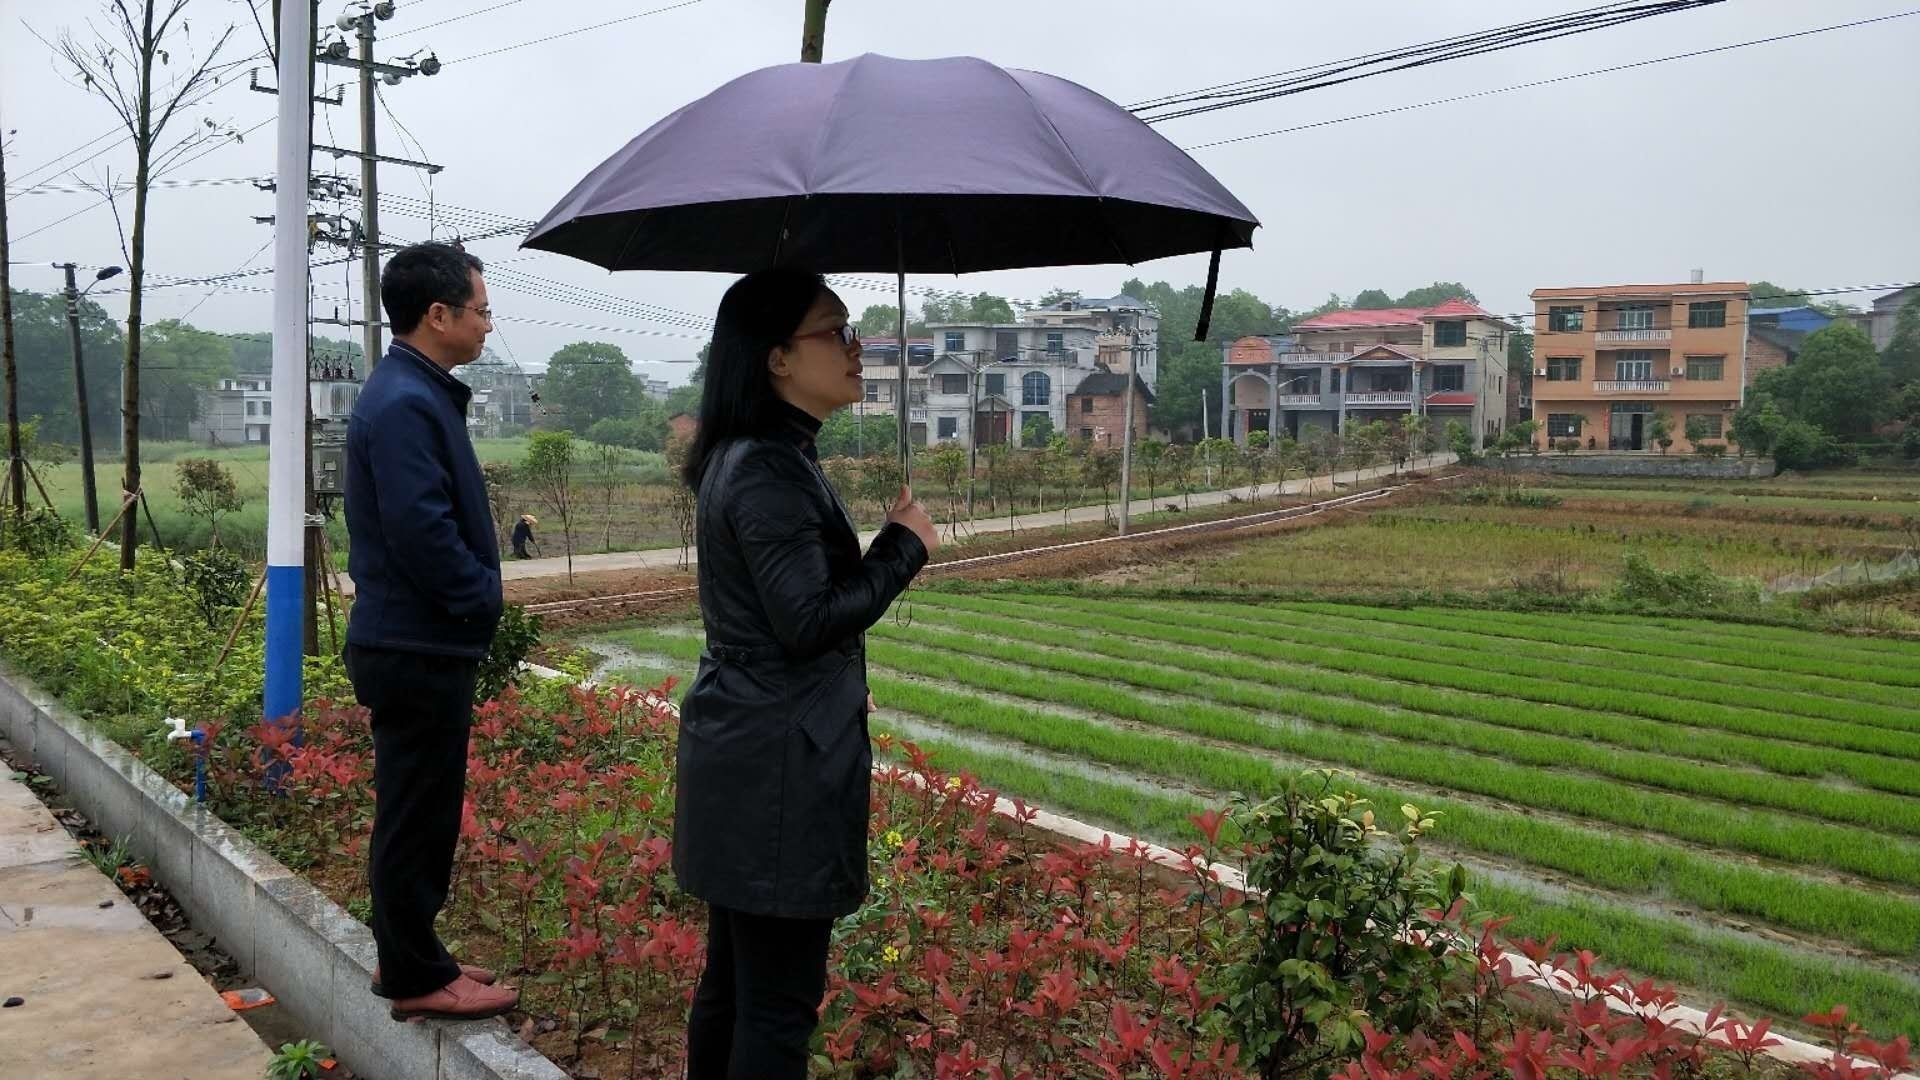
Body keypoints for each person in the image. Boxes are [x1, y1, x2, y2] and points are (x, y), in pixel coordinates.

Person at [673, 268, 939, 1079]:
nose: (856, 349)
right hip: (779, 763)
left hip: (749, 749)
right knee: (777, 1008)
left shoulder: (751, 454)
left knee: (735, 985)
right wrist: (903, 546)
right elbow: (808, 621)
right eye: (837, 332)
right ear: (779, 357)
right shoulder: (767, 468)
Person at [342, 242, 520, 1023]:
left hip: (418, 639)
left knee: (421, 811)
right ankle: (415, 977)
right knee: (416, 817)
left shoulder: (414, 391)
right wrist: (482, 594)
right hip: (416, 641)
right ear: (438, 314)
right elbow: (421, 532)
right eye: (480, 310)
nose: (488, 324)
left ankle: (416, 955)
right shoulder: (407, 402)